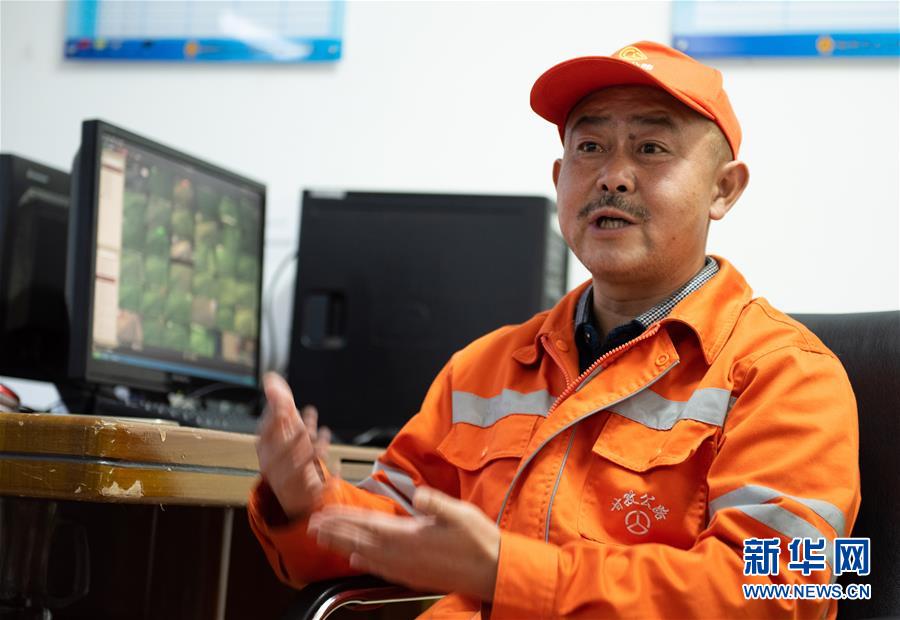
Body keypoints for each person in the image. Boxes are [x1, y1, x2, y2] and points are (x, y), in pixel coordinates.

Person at [250, 41, 860, 619]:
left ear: (723, 189)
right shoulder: (484, 368)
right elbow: (390, 529)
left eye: (651, 148)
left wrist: (507, 572)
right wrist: (307, 500)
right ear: (558, 176)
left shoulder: (786, 375)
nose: (612, 176)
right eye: (589, 147)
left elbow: (774, 594)